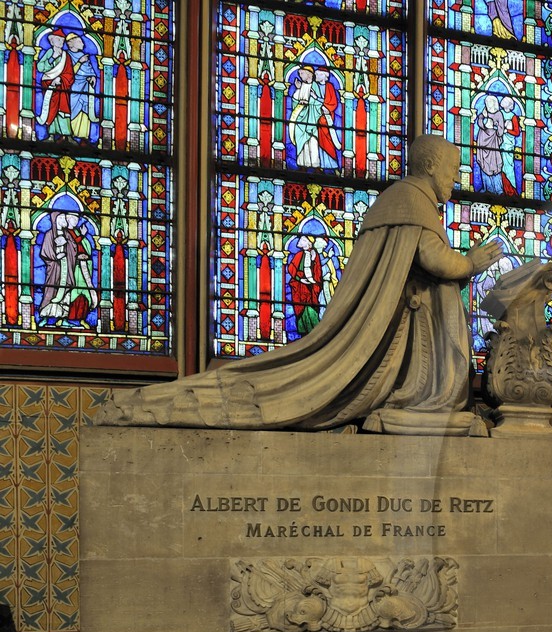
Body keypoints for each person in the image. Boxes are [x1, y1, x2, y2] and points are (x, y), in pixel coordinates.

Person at [95, 136, 506, 434]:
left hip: (410, 334)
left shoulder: (398, 201)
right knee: (295, 388)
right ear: (432, 167)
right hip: (402, 338)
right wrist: (473, 261)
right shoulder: (412, 201)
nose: (456, 179)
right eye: (452, 171)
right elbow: (435, 259)